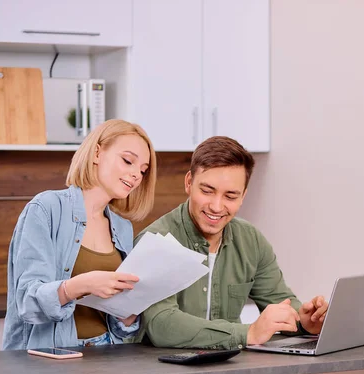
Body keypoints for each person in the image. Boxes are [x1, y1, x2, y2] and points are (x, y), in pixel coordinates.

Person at [135, 136, 328, 350]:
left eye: (230, 196)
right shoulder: (156, 241)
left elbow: (280, 301)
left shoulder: (250, 240)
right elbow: (162, 325)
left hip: (230, 371)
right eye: (207, 191)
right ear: (189, 182)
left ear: (243, 196)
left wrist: (305, 322)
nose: (217, 207)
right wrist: (248, 333)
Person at [2, 119, 157, 350]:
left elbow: (117, 323)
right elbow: (27, 301)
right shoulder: (46, 208)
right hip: (51, 355)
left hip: (108, 352)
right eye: (127, 161)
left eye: (143, 171)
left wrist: (129, 312)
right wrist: (80, 285)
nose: (136, 175)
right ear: (96, 153)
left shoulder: (122, 228)